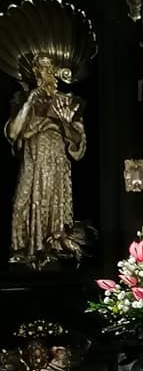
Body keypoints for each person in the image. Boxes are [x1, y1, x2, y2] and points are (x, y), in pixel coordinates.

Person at [6, 55, 86, 267]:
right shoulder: (23, 99)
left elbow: (77, 140)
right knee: (23, 202)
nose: (48, 72)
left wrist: (62, 123)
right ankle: (24, 249)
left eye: (51, 68)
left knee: (54, 202)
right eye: (43, 68)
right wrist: (29, 102)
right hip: (32, 161)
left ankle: (53, 248)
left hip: (56, 162)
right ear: (35, 72)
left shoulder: (67, 102)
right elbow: (13, 133)